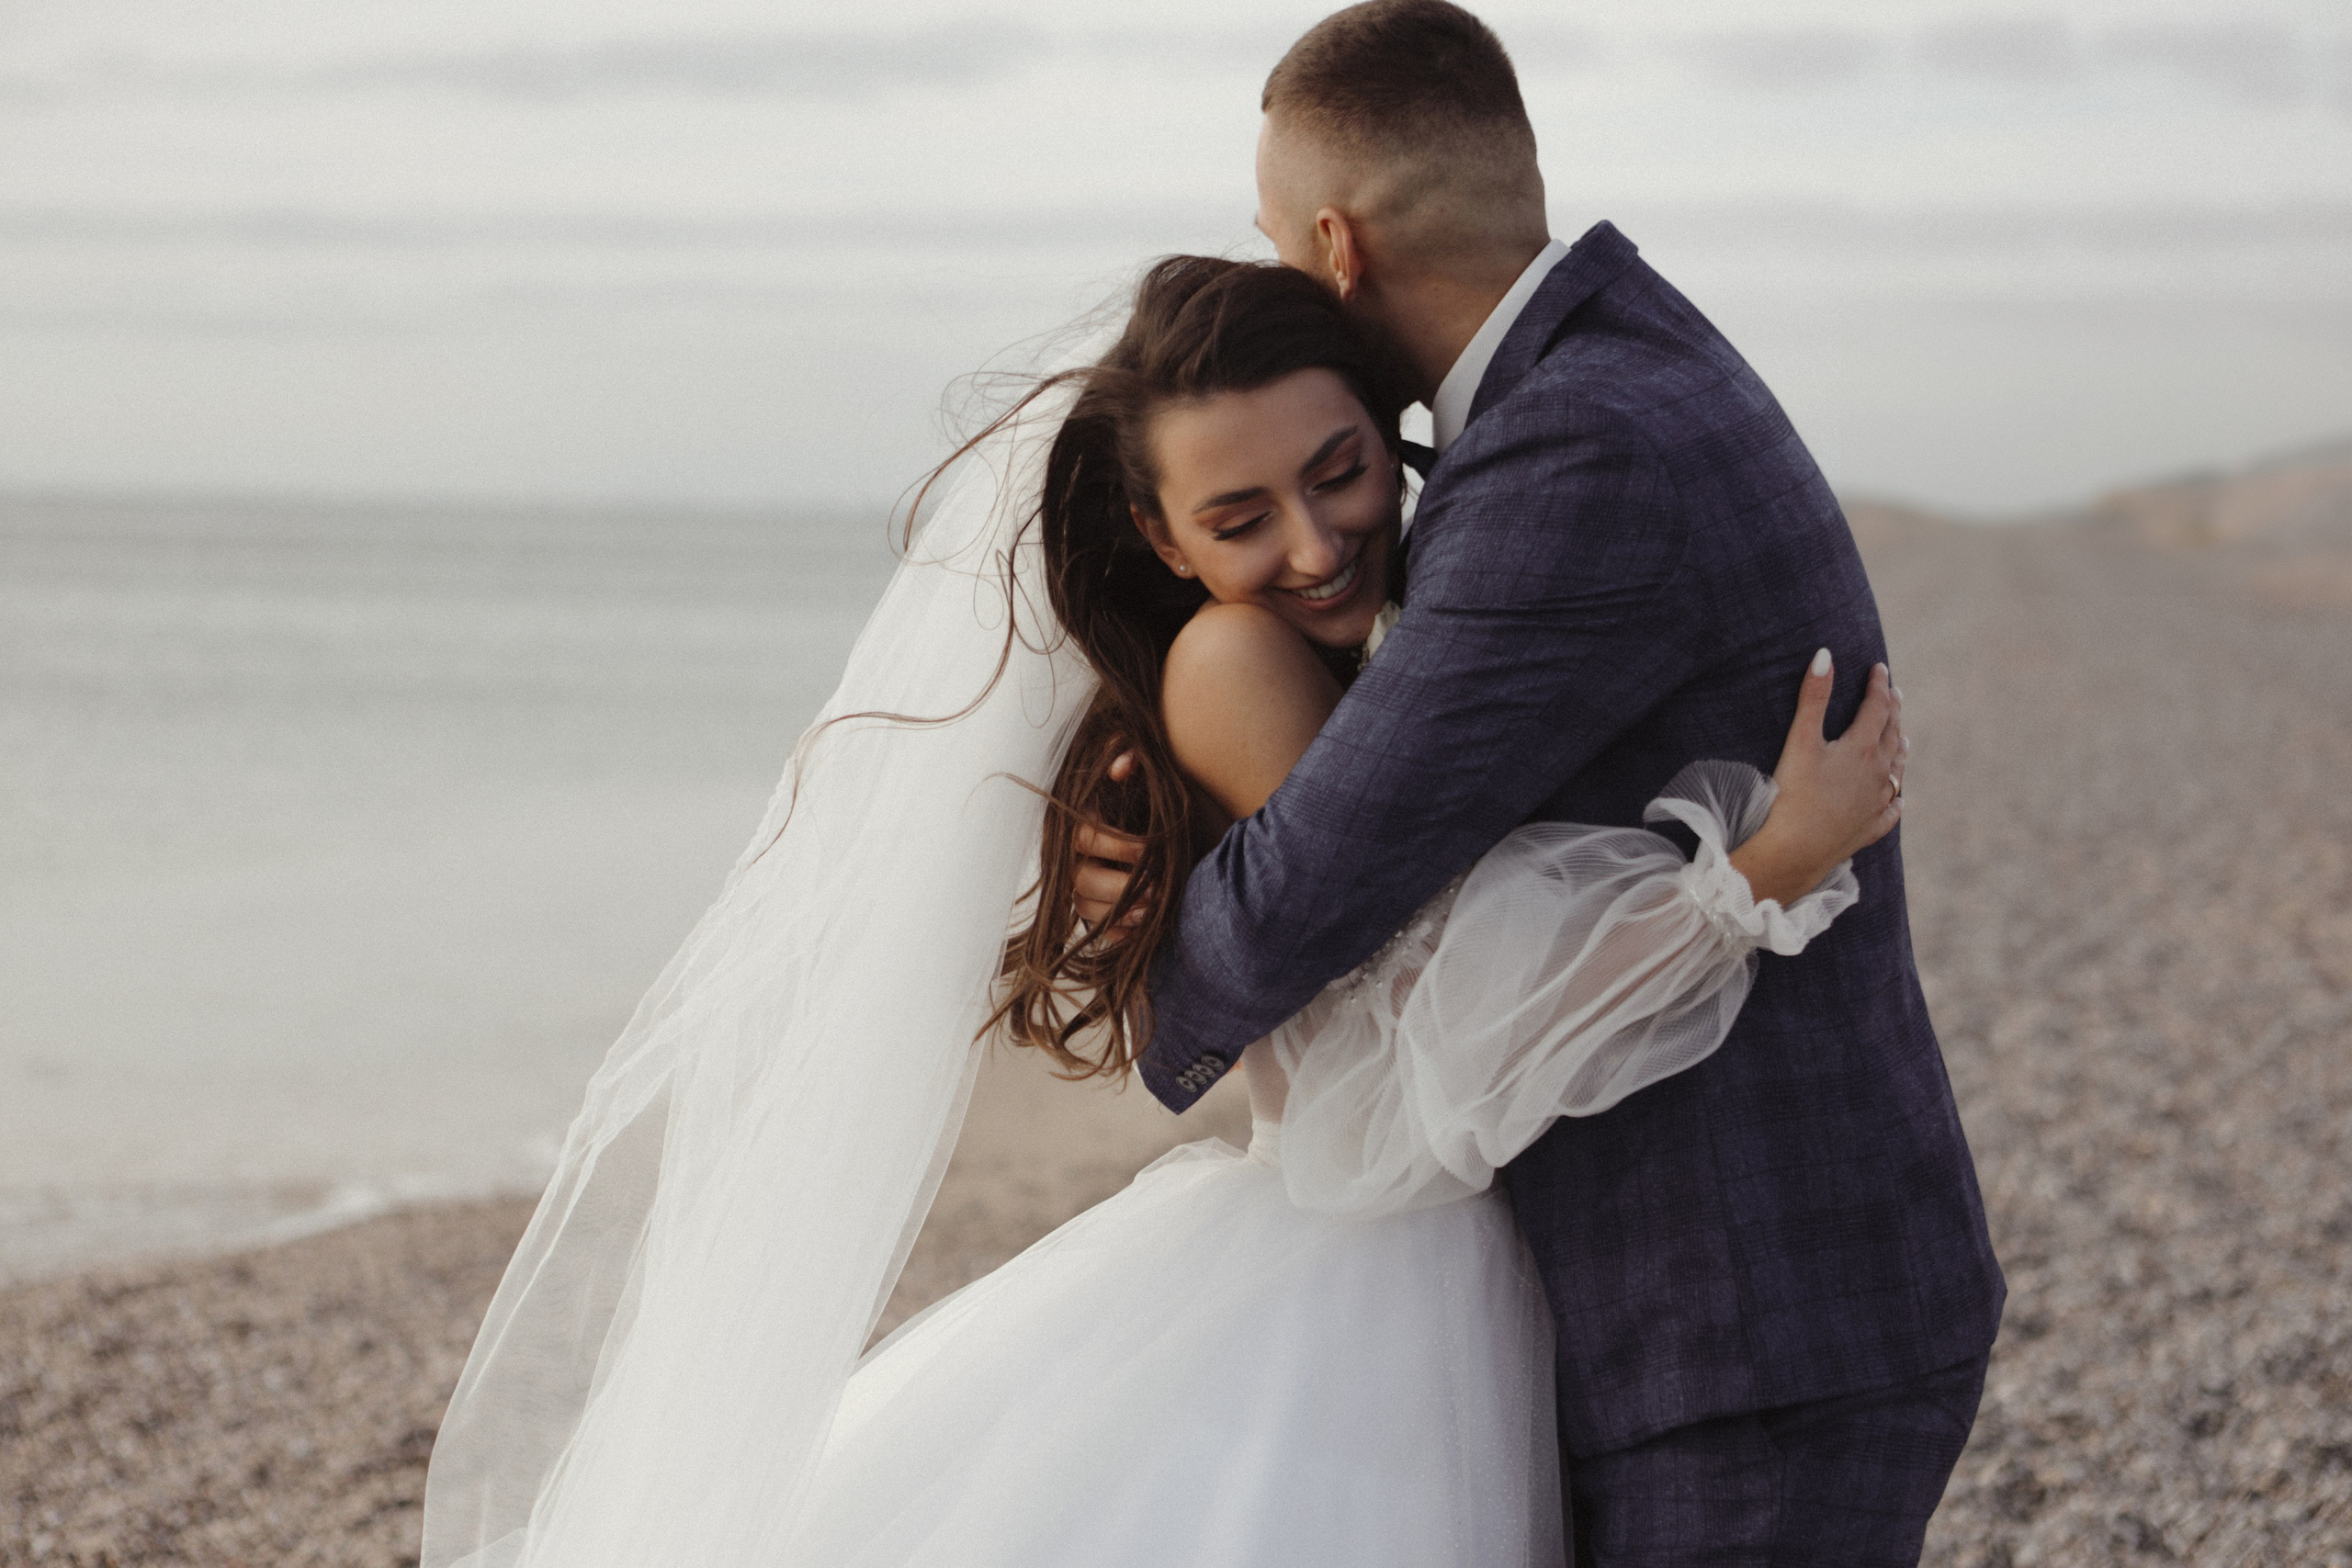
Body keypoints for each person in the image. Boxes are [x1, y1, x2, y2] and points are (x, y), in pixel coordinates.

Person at [420, 251, 1906, 1568]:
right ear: (1162, 533)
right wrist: (1756, 876)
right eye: (1242, 514)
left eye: (1339, 473)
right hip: (1372, 1276)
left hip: (1402, 1262)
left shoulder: (1340, 645)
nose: (1317, 543)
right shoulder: (1238, 668)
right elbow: (1427, 1047)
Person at [1073, 4, 2006, 1563]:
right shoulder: (1614, 373)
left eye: (1276, 246)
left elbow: (1316, 895)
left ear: (1337, 246)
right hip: (1733, 1302)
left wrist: (1140, 930)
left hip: (1752, 1320)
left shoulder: (1576, 452)